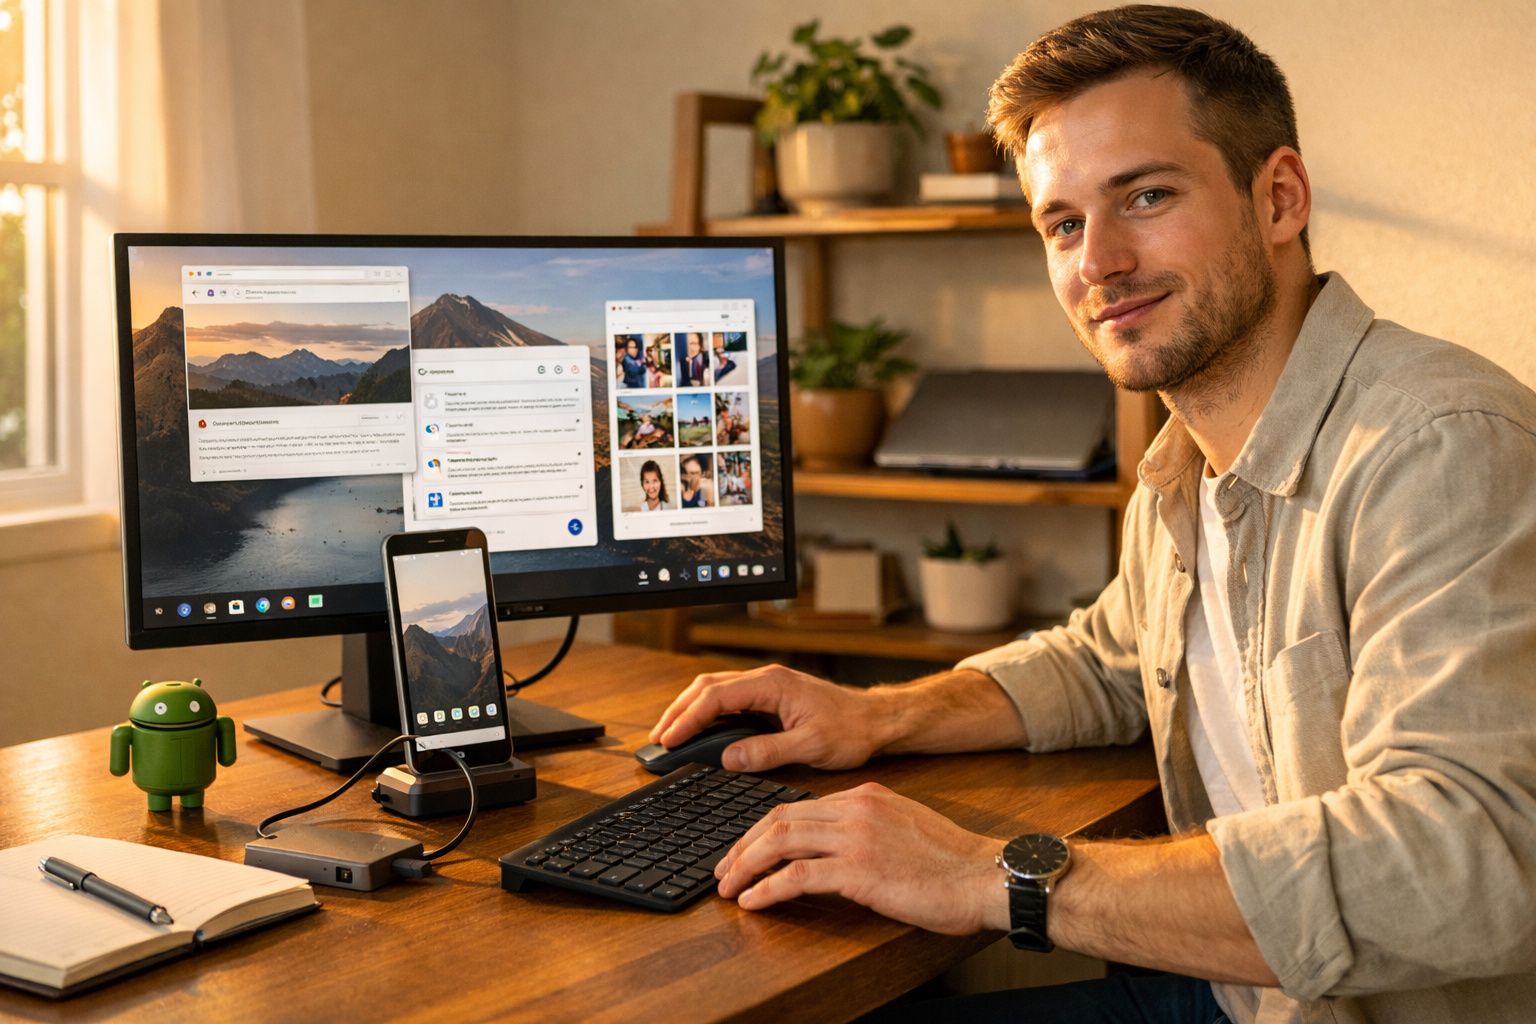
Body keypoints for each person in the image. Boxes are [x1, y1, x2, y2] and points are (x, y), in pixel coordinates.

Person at [648, 7, 1536, 1023]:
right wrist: (877, 715)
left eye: (1146, 196)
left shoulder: (1440, 447)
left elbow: (1473, 854)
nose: (1098, 264)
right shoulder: (1183, 464)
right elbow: (1108, 659)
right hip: (1239, 994)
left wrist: (991, 875)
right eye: (1063, 224)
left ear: (1279, 197)